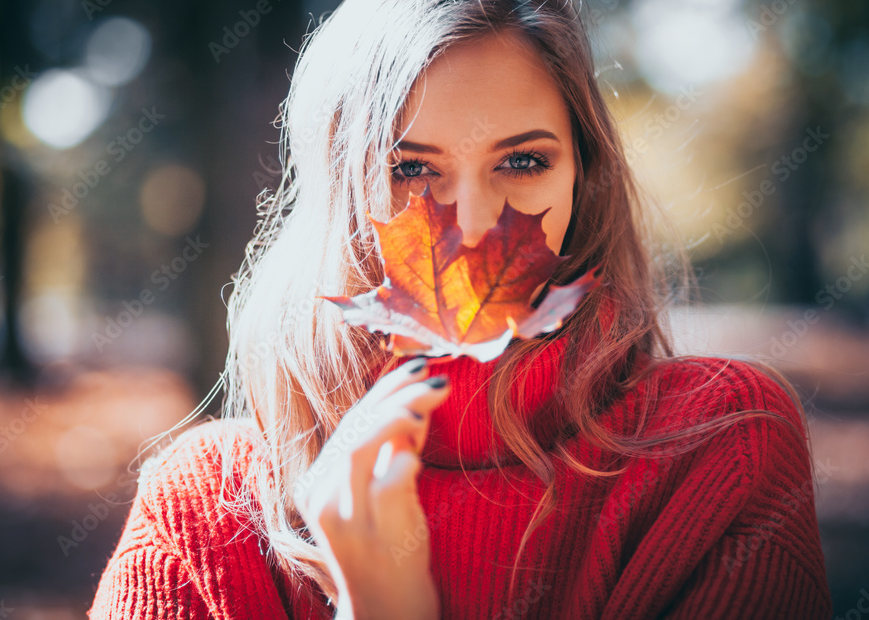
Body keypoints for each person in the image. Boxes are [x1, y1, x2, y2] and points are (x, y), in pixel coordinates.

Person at [88, 1, 832, 618]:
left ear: (585, 176)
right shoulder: (203, 510)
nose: (472, 222)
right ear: (345, 193)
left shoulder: (722, 445)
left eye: (523, 160)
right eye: (411, 168)